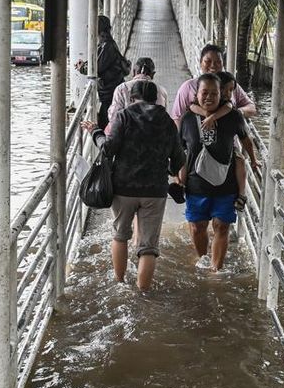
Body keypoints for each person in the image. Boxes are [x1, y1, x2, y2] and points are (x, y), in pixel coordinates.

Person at [81, 80, 185, 290]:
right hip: (155, 191)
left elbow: (108, 149)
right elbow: (179, 158)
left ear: (131, 97)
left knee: (120, 235)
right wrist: (171, 172)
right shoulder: (165, 119)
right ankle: (143, 292)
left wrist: (96, 132)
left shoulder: (124, 116)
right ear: (156, 98)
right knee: (148, 247)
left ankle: (120, 284)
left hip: (123, 188)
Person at [178, 73, 249, 271]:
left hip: (225, 185)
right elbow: (179, 149)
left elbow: (245, 139)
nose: (209, 97)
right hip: (195, 185)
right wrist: (177, 176)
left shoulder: (233, 116)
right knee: (198, 227)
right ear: (197, 93)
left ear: (221, 95)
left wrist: (254, 159)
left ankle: (215, 269)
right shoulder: (188, 118)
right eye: (204, 92)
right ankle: (202, 259)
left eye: (214, 93)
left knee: (222, 226)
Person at [182, 70, 260, 210]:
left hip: (226, 157)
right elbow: (192, 106)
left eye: (231, 90)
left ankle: (241, 194)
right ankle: (181, 184)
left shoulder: (230, 110)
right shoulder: (189, 115)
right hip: (197, 184)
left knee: (239, 160)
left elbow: (245, 137)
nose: (229, 94)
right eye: (226, 89)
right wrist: (207, 113)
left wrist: (211, 116)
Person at [170, 44, 257, 126]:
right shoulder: (188, 87)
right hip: (197, 139)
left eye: (218, 62)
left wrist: (235, 113)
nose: (213, 66)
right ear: (200, 63)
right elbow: (177, 117)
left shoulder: (230, 86)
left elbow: (251, 108)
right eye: (208, 61)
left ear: (223, 64)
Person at [76, 15, 129, 129]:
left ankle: (105, 142)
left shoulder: (107, 46)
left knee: (106, 122)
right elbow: (97, 60)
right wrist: (85, 65)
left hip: (110, 90)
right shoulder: (106, 43)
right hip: (110, 89)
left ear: (97, 29)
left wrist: (82, 68)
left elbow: (97, 68)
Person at [104, 57, 168, 135]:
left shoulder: (122, 88)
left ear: (134, 72)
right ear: (153, 74)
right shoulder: (161, 91)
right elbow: (163, 119)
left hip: (126, 137)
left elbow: (114, 117)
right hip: (153, 138)